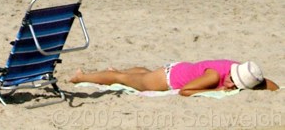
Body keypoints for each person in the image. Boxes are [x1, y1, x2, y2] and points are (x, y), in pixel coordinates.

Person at [71, 60, 279, 96]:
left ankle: (113, 70)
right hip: (168, 80)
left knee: (142, 73)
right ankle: (81, 77)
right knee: (122, 78)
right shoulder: (215, 76)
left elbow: (270, 84)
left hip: (177, 68)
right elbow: (185, 91)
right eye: (233, 80)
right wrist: (215, 91)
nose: (231, 85)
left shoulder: (237, 67)